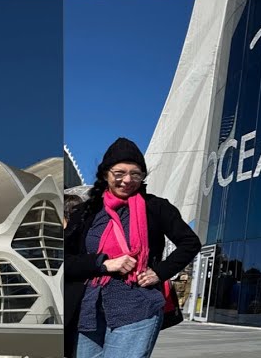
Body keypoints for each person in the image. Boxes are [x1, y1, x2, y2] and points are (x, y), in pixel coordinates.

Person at [65, 138, 200, 358]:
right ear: (106, 174)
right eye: (119, 173)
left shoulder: (156, 207)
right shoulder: (86, 213)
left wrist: (159, 272)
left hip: (137, 306)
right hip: (88, 309)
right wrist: (103, 263)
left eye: (135, 174)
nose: (127, 180)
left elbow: (190, 242)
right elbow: (65, 258)